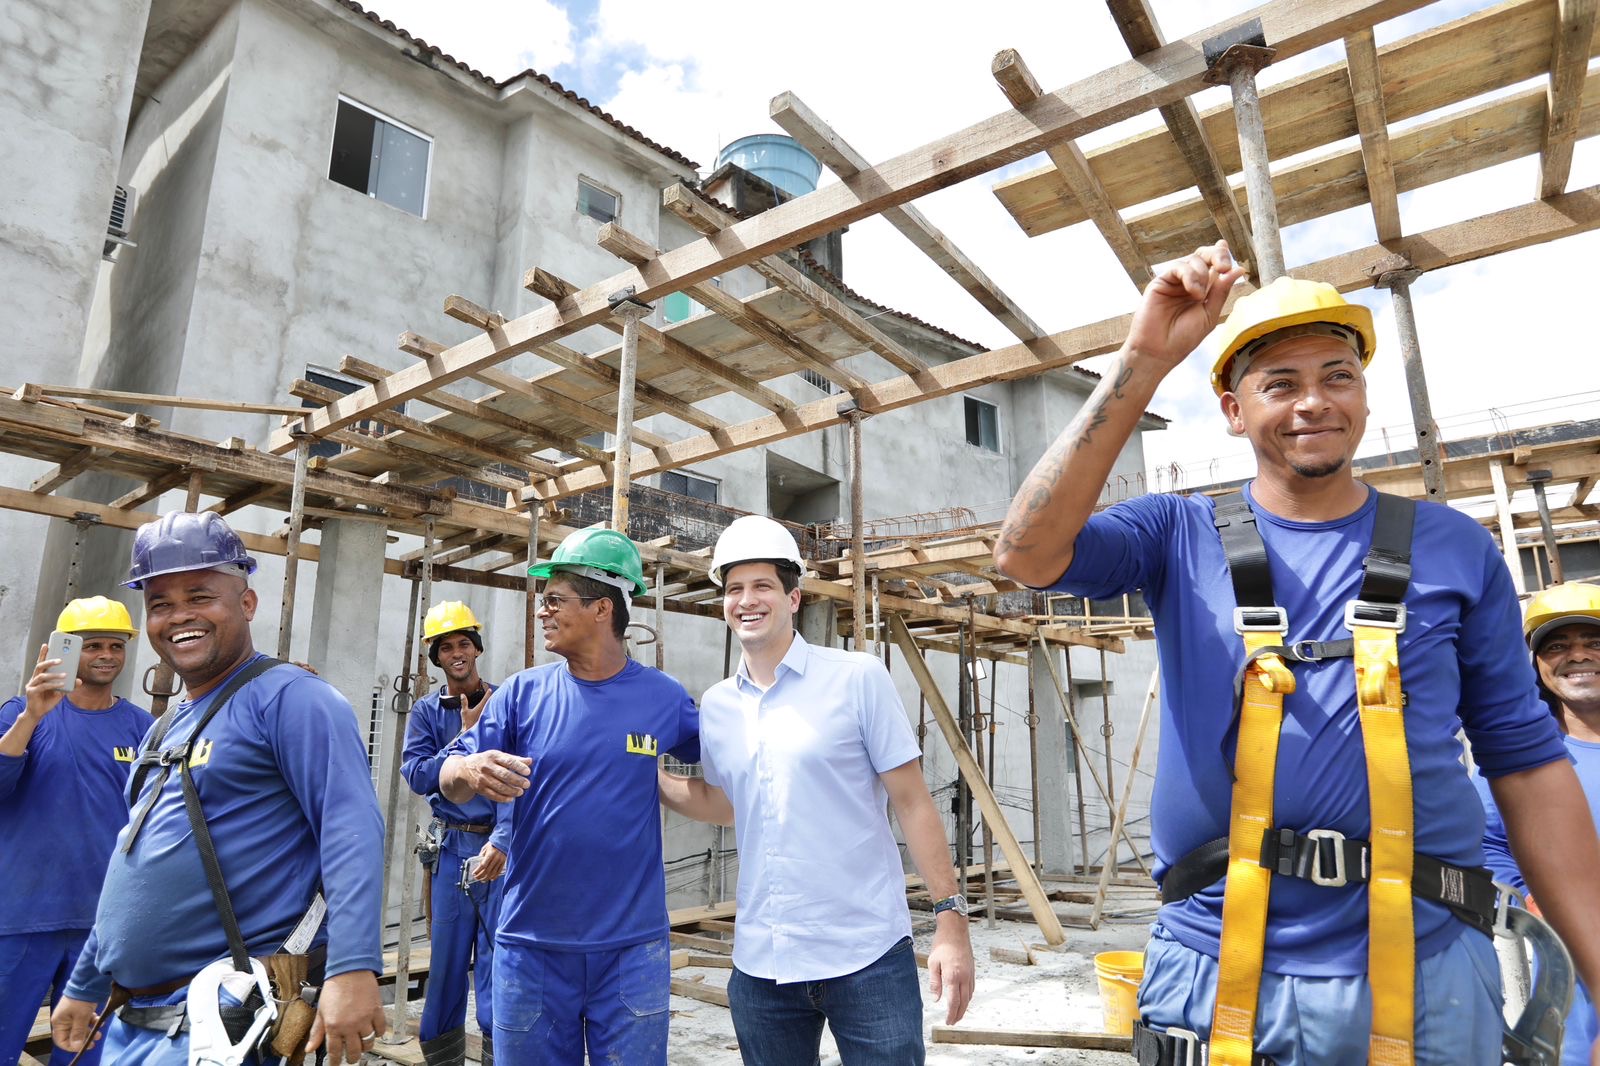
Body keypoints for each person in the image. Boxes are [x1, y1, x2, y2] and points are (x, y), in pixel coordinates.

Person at [994, 240, 1600, 1066]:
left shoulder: (1456, 548)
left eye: (1337, 376)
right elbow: (1026, 554)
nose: (1314, 401)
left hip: (1429, 969)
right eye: (1279, 383)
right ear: (1233, 410)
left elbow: (1525, 761)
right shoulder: (1177, 533)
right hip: (1216, 966)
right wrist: (1144, 359)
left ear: (1363, 393)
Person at [50, 511, 387, 1066]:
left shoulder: (291, 699)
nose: (179, 615)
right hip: (136, 1019)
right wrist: (85, 982)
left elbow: (350, 830)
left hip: (222, 1019)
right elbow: (132, 862)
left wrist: (353, 967)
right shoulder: (164, 727)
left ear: (246, 603)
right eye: (160, 603)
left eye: (200, 596)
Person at [657, 514, 974, 1066]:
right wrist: (649, 776)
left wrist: (951, 923)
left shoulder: (857, 678)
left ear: (793, 598)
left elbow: (912, 802)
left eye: (762, 586)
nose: (746, 601)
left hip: (867, 956)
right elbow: (728, 804)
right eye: (734, 588)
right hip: (763, 965)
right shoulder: (719, 706)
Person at [438, 527, 699, 1066]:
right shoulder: (521, 694)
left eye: (555, 599)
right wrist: (469, 767)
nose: (543, 611)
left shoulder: (664, 698)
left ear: (603, 608)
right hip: (531, 946)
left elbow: (723, 766)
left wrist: (658, 781)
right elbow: (448, 777)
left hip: (632, 950)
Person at [0, 597, 153, 1066]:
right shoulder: (21, 714)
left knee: (84, 1053)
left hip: (102, 924)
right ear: (65, 649)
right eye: (92, 645)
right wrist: (32, 716)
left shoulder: (143, 727)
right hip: (21, 916)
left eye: (116, 645)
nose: (106, 655)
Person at [1476, 582, 1600, 1065]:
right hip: (1574, 972)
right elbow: (1487, 845)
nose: (1577, 655)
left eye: (1593, 641)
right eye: (1557, 646)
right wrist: (1536, 902)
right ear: (1538, 667)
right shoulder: (1518, 759)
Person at [402, 600, 505, 1066]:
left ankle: (498, 1052)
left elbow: (524, 773)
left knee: (498, 959)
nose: (457, 653)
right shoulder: (426, 712)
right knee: (445, 962)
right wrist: (463, 740)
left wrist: (506, 840)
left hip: (498, 847)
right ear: (436, 657)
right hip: (451, 848)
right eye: (446, 647)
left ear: (477, 649)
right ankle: (443, 1056)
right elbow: (417, 774)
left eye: (464, 643)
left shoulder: (505, 701)